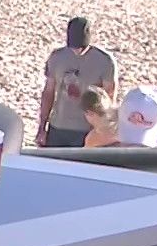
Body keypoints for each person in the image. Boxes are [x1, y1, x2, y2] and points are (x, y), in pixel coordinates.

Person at [36, 16, 117, 148]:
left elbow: (109, 98)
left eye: (81, 47)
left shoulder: (105, 61)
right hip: (58, 127)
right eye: (74, 46)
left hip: (87, 130)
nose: (77, 50)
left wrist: (102, 130)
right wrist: (42, 127)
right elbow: (48, 93)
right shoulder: (57, 57)